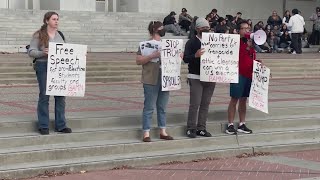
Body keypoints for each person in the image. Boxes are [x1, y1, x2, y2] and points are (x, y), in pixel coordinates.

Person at [28, 11, 72, 135]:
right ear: (47, 21)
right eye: (53, 19)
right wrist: (43, 53)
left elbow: (67, 51)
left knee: (60, 96)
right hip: (43, 66)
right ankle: (43, 125)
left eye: (57, 19)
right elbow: (31, 51)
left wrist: (79, 55)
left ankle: (61, 125)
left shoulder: (60, 35)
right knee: (44, 95)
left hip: (58, 67)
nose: (56, 21)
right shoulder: (39, 35)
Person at [136, 21, 174, 142]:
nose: (164, 29)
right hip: (150, 78)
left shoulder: (167, 44)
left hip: (166, 77)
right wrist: (152, 56)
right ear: (155, 29)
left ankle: (162, 130)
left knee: (162, 106)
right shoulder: (145, 44)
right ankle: (146, 132)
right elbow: (138, 60)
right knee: (149, 106)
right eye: (161, 28)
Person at [226, 20, 262, 135]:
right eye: (244, 28)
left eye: (248, 28)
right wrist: (247, 47)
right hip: (237, 74)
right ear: (238, 30)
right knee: (234, 99)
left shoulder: (250, 43)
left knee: (243, 100)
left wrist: (257, 62)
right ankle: (230, 124)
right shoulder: (235, 42)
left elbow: (250, 58)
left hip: (248, 74)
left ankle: (242, 123)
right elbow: (236, 57)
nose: (247, 30)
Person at [183, 18, 216, 138]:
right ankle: (191, 127)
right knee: (195, 104)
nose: (206, 29)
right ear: (197, 29)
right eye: (203, 27)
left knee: (205, 104)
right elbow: (185, 58)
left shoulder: (214, 41)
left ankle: (201, 127)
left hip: (210, 76)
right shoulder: (191, 42)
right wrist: (195, 55)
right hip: (195, 76)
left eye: (208, 27)